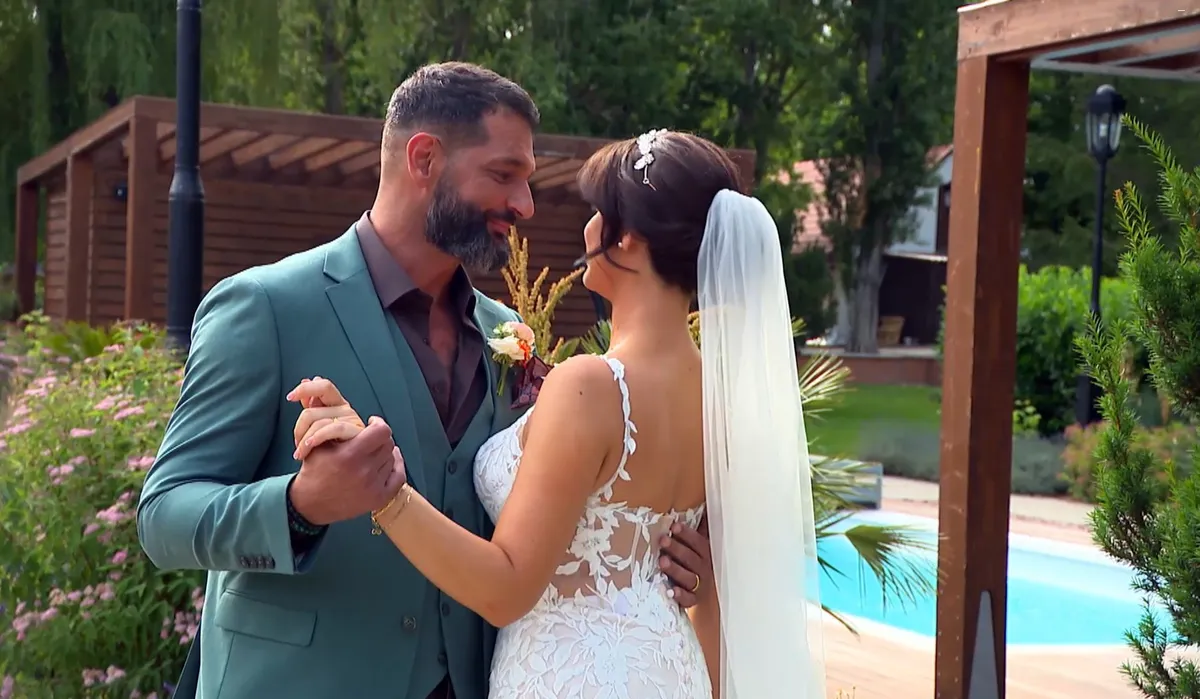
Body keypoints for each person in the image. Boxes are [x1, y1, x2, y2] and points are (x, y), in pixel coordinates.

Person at [135, 62, 713, 699]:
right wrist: (299, 506)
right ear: (424, 159)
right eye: (504, 175)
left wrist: (669, 560)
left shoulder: (508, 334)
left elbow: (553, 519)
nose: (525, 205)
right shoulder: (266, 308)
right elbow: (164, 515)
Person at [289, 129, 828, 698]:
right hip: (671, 670)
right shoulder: (720, 399)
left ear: (627, 239)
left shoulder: (590, 386)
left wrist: (386, 491)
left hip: (572, 676)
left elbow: (506, 587)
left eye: (599, 213)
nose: (588, 227)